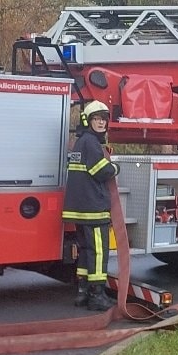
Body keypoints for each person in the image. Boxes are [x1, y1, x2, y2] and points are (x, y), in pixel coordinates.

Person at [64, 100, 119, 311]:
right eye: (97, 119)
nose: (101, 123)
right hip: (93, 209)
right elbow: (101, 171)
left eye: (104, 119)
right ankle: (97, 295)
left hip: (80, 209)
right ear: (88, 121)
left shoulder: (81, 142)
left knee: (86, 251)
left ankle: (83, 292)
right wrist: (115, 167)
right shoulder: (91, 143)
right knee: (98, 252)